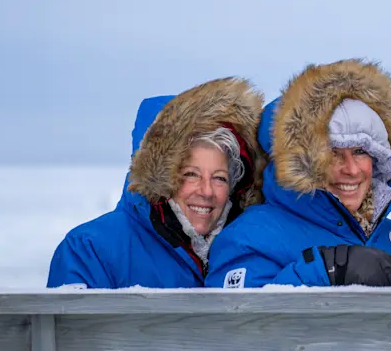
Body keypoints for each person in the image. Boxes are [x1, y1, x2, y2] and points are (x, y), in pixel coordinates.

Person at [205, 59, 391, 288]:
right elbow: (236, 319)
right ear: (301, 164)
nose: (351, 169)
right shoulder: (248, 236)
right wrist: (329, 269)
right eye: (332, 153)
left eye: (360, 151)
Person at [47, 78, 266, 288]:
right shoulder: (90, 251)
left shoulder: (250, 250)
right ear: (162, 177)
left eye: (219, 178)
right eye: (191, 174)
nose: (206, 191)